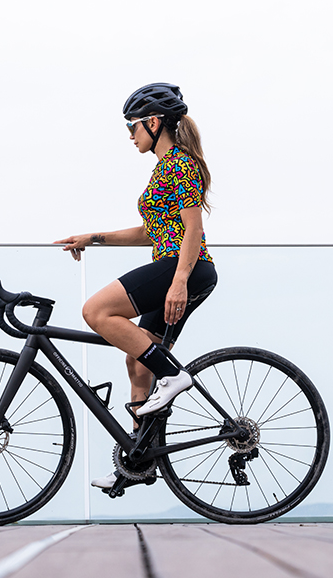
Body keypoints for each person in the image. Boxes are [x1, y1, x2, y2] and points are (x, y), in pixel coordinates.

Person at [54, 83, 217, 489]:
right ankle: (138, 459)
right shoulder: (164, 168)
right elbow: (151, 231)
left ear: (154, 122)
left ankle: (174, 376)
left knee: (96, 311)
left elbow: (193, 230)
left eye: (133, 126)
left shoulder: (180, 164)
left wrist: (178, 282)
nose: (130, 134)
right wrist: (93, 238)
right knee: (138, 363)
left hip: (185, 268)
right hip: (178, 266)